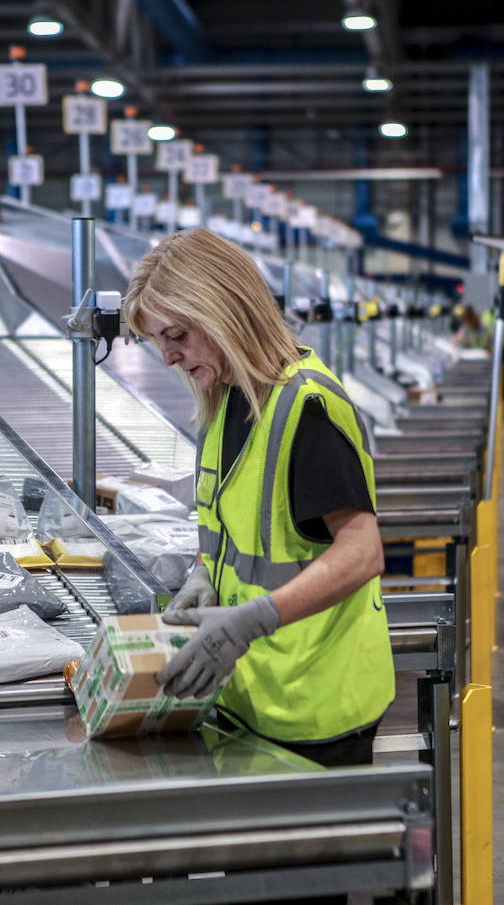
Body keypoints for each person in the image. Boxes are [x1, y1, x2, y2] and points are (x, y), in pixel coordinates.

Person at [123, 227, 394, 769]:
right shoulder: (227, 403)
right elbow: (236, 532)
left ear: (223, 310)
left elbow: (363, 552)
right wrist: (206, 575)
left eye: (177, 334)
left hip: (315, 708)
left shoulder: (305, 408)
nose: (170, 358)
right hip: (250, 697)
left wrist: (251, 621)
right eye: (159, 342)